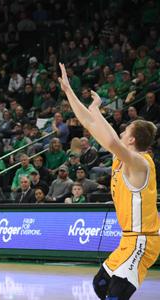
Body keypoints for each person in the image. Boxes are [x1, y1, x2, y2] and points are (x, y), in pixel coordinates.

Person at [59, 63, 159, 299]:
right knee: (101, 285)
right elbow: (89, 123)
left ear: (132, 140)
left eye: (126, 131)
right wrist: (68, 91)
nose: (122, 132)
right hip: (128, 239)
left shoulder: (140, 163)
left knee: (116, 293)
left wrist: (96, 109)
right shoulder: (121, 156)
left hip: (143, 240)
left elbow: (112, 140)